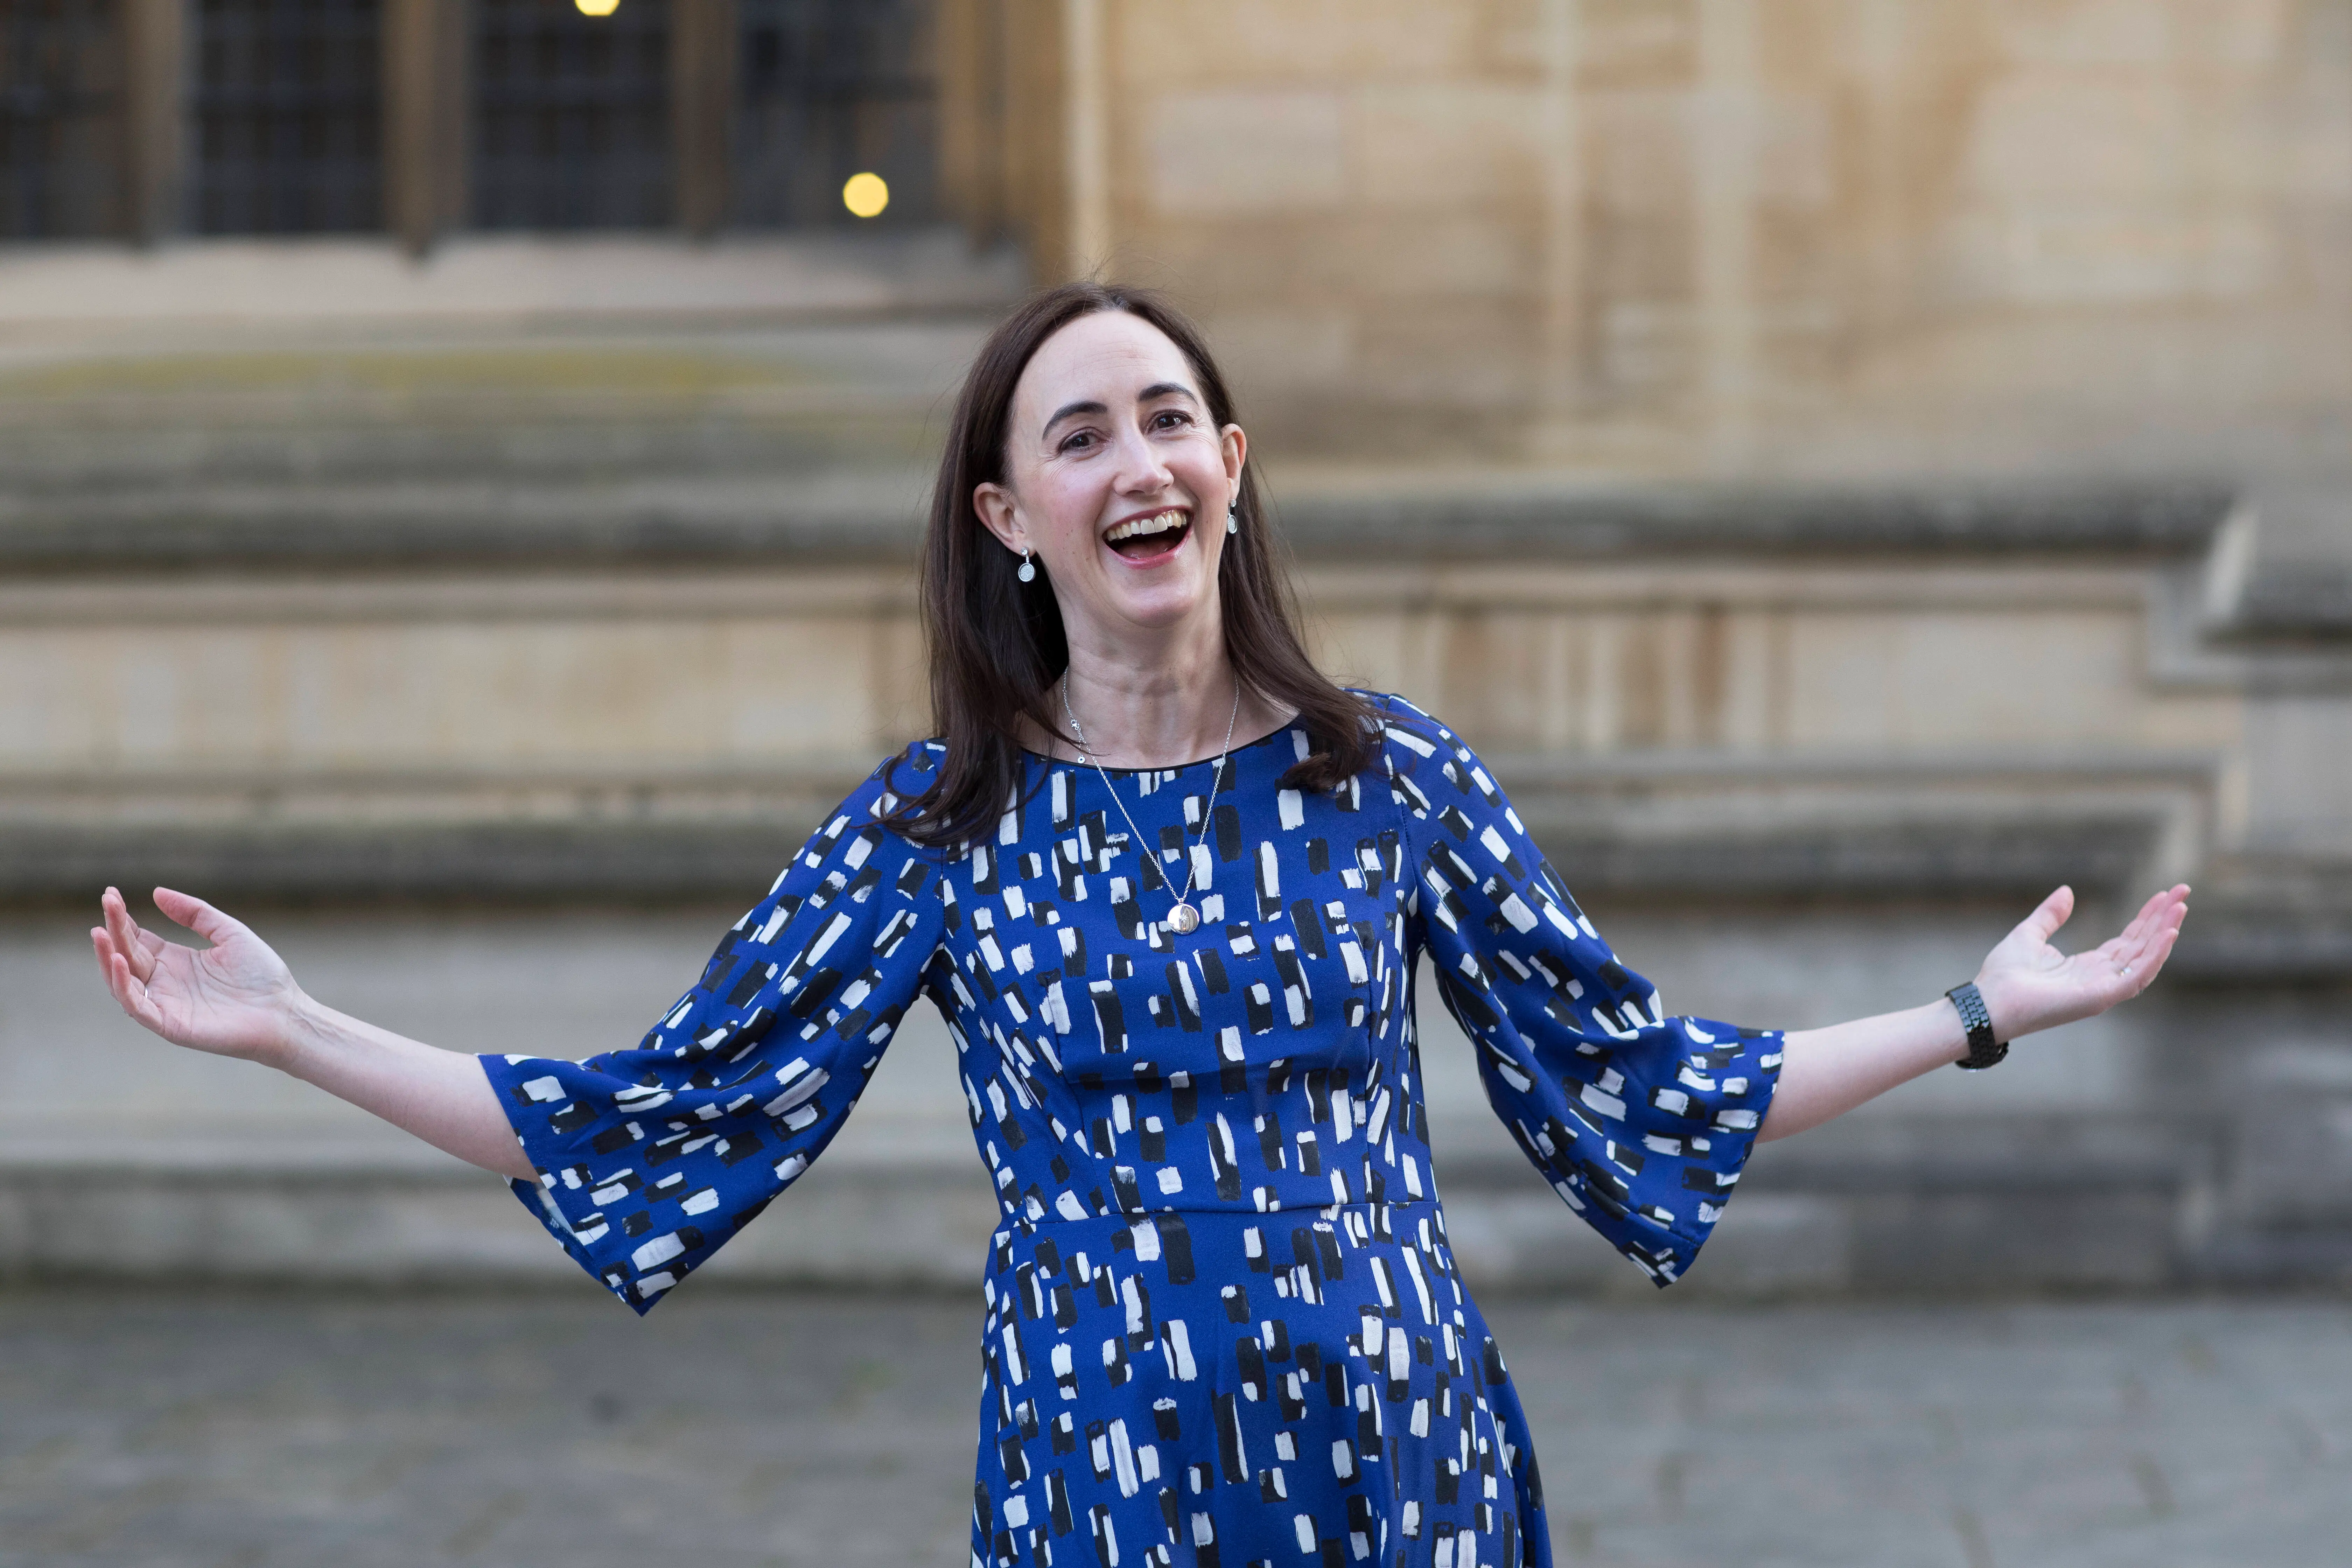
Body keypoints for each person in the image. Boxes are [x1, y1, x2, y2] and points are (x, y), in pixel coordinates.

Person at [92, 282, 2189, 1567]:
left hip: (1406, 1469)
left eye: (1169, 417)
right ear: (1009, 517)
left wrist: (1976, 1011)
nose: (1138, 459)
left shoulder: (1393, 780)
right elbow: (649, 1118)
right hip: (1104, 1488)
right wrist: (297, 1033)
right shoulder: (937, 829)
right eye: (1078, 433)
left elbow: (1653, 1086)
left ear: (1236, 470)